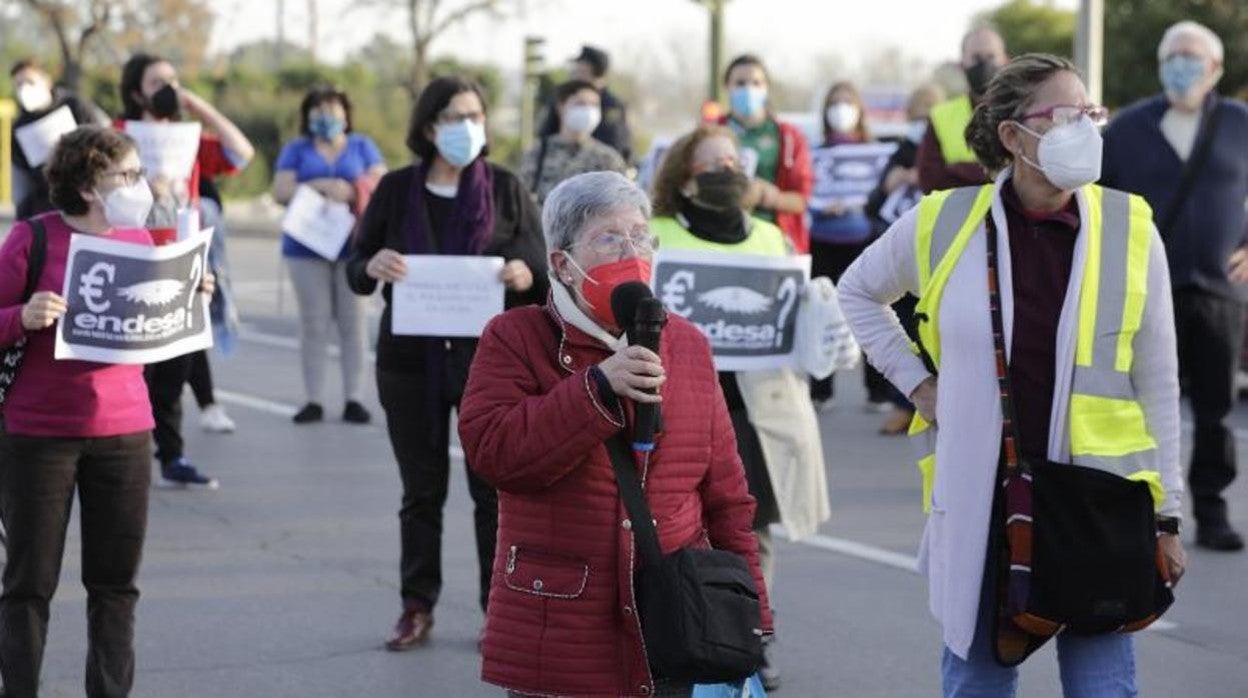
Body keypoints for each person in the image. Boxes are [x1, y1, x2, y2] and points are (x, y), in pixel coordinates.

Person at [838, 54, 1185, 695]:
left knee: (1103, 686)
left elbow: (1159, 382)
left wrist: (1168, 515)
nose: (1083, 129)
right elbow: (857, 291)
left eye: (1090, 113)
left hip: (1098, 505)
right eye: (1062, 115)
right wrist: (917, 384)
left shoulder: (1131, 227)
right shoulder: (945, 222)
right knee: (975, 683)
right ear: (1012, 136)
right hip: (990, 500)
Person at [458, 171, 772, 697]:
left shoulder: (687, 345)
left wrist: (750, 613)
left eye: (640, 235)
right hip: (561, 627)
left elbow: (727, 497)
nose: (632, 250)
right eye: (609, 237)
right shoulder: (515, 337)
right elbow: (495, 454)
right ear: (562, 263)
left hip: (675, 621)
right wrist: (596, 388)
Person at [0, 125, 211, 697]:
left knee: (116, 587)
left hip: (125, 435)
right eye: (128, 175)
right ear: (90, 185)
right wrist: (22, 315)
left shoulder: (144, 242)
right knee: (28, 585)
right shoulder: (31, 240)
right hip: (39, 436)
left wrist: (190, 302)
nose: (139, 186)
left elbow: (163, 346)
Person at [346, 76, 548, 652]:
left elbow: (537, 263)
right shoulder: (396, 189)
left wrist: (522, 274)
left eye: (475, 115)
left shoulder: (507, 189)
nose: (467, 127)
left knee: (492, 492)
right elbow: (356, 263)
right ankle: (416, 605)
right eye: (454, 116)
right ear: (429, 126)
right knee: (421, 490)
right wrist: (373, 265)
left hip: (491, 364)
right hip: (410, 362)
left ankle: (498, 610)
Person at [648, 126, 826, 691]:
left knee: (748, 528)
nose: (726, 168)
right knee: (670, 525)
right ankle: (667, 634)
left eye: (733, 159)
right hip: (676, 404)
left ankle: (752, 635)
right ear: (684, 175)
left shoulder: (773, 239)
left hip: (755, 408)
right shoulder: (657, 236)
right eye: (711, 162)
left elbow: (796, 326)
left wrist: (823, 328)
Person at [1101, 21, 1248, 553]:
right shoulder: (1128, 129)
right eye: (1172, 54)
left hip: (1218, 292)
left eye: (1191, 56)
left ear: (1215, 69)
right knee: (1139, 406)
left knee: (1214, 411)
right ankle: (1139, 508)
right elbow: (1095, 200)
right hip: (1143, 291)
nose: (1180, 64)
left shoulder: (1238, 123)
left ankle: (1211, 511)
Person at [120, 53, 254, 489]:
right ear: (137, 90)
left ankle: (172, 456)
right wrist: (141, 184)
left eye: (173, 80)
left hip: (185, 258)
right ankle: (129, 456)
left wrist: (197, 106)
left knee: (176, 365)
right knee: (138, 368)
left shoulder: (187, 139)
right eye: (157, 81)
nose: (167, 87)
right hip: (135, 257)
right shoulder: (119, 135)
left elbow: (241, 151)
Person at [273, 86, 386, 425]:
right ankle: (314, 399)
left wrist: (353, 190)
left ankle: (354, 397)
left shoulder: (362, 146)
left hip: (353, 247)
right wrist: (318, 185)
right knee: (314, 323)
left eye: (333, 111)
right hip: (305, 248)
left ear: (346, 115)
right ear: (307, 116)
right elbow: (280, 189)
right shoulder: (296, 149)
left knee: (354, 323)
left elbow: (383, 182)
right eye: (318, 111)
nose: (326, 118)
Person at [865, 83, 944, 435]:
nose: (922, 124)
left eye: (929, 117)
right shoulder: (899, 152)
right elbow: (872, 203)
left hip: (939, 252)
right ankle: (906, 402)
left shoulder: (945, 152)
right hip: (902, 256)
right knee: (905, 329)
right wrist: (890, 183)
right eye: (916, 117)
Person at [807, 80, 888, 411]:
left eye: (847, 102)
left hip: (863, 241)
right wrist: (819, 206)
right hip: (824, 241)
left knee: (872, 313)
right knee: (820, 313)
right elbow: (805, 190)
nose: (842, 110)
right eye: (835, 103)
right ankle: (821, 390)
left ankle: (879, 391)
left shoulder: (877, 153)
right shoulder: (815, 153)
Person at [720, 54, 814, 254]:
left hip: (773, 240)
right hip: (720, 237)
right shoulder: (710, 132)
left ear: (766, 88)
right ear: (727, 87)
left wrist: (766, 195)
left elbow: (801, 200)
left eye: (756, 83)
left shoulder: (790, 137)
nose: (748, 89)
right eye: (740, 83)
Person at [917, 25, 1008, 193]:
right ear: (962, 64)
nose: (984, 64)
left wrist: (957, 169)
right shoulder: (941, 115)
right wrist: (994, 171)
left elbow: (1024, 175)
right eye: (976, 57)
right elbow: (929, 179)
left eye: (991, 56)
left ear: (1005, 61)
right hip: (958, 216)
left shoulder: (1019, 112)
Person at [9, 58, 102, 219]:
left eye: (30, 82)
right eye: (19, 85)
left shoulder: (74, 105)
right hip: (47, 205)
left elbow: (102, 141)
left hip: (89, 196)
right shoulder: (19, 127)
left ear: (46, 81)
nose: (24, 89)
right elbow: (21, 177)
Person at [521, 79, 626, 206]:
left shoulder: (608, 159)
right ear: (561, 107)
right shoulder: (537, 153)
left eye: (594, 105)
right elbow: (524, 201)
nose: (588, 110)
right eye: (580, 104)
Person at [538, 45, 633, 163]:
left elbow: (618, 143)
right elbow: (546, 133)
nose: (575, 74)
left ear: (596, 73)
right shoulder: (563, 97)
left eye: (581, 69)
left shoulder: (612, 106)